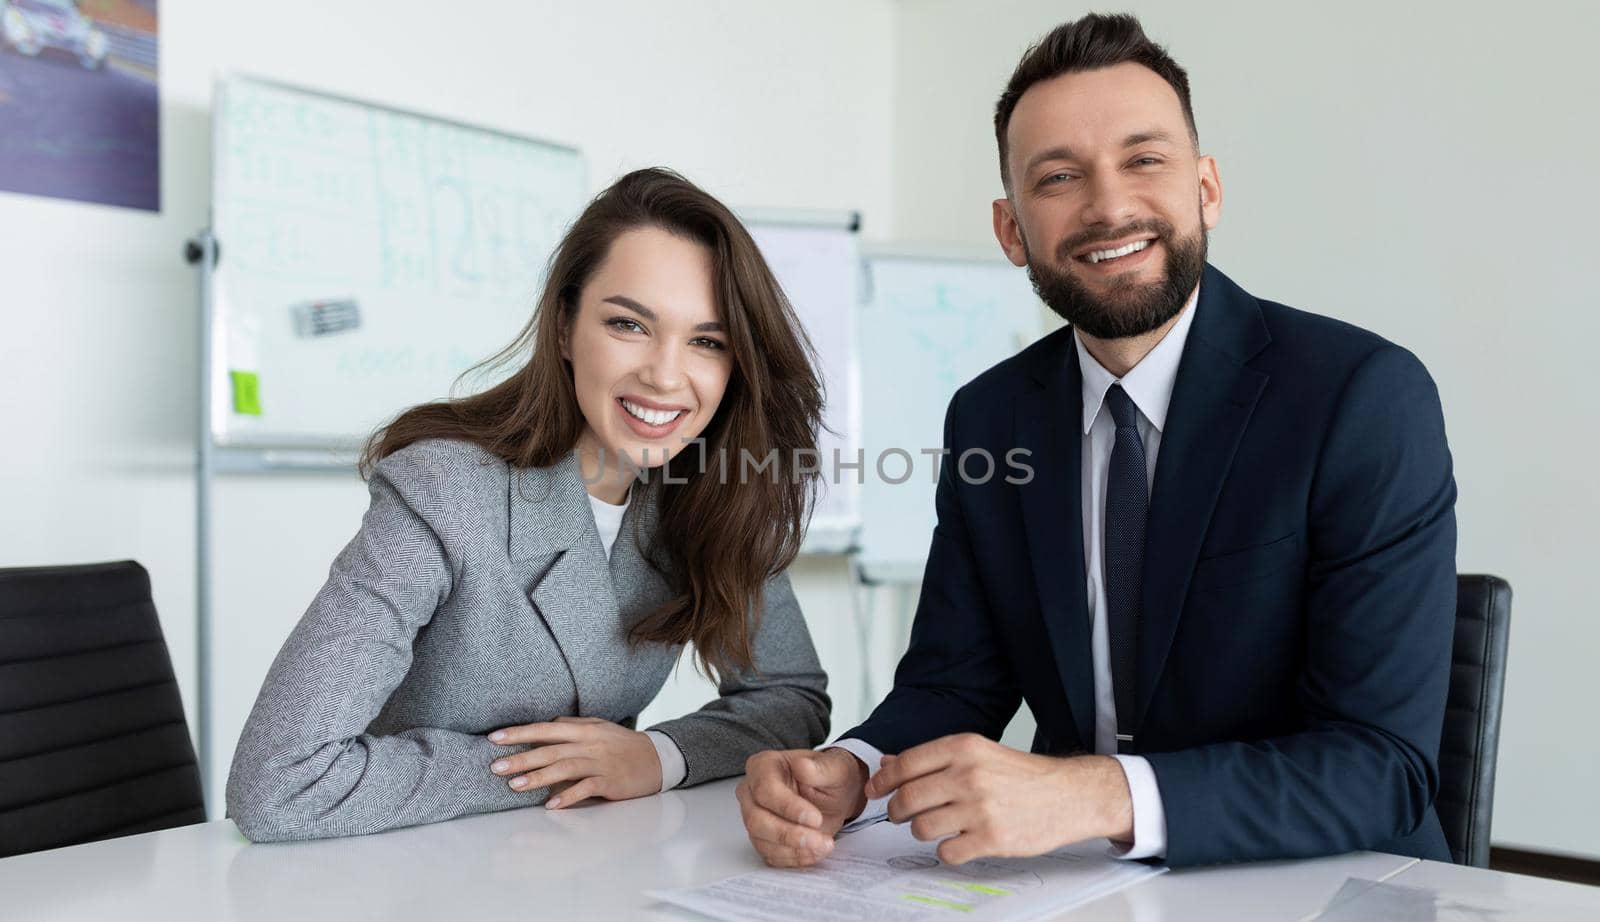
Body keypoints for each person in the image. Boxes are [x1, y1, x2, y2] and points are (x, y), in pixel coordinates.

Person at [738, 13, 1456, 869]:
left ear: (1208, 188)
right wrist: (850, 772)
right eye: (1060, 177)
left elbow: (1383, 766)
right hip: (1087, 887)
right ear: (1012, 231)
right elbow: (953, 681)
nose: (1109, 205)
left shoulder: (1360, 397)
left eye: (1145, 160)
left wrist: (1097, 793)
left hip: (1328, 883)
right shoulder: (990, 417)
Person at [227, 168, 832, 842]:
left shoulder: (715, 493)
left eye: (706, 341)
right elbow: (279, 782)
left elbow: (790, 699)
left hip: (585, 867)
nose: (665, 375)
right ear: (567, 325)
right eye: (630, 324)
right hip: (398, 866)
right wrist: (552, 769)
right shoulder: (445, 491)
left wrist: (658, 759)